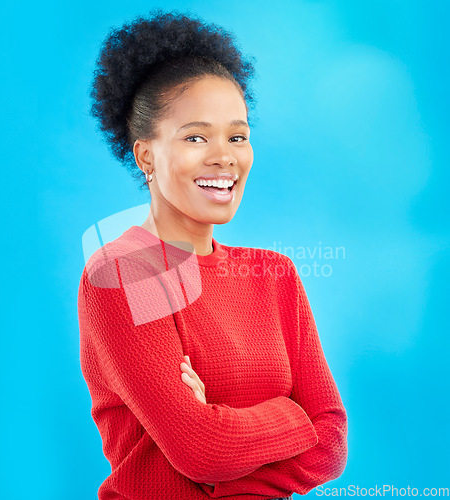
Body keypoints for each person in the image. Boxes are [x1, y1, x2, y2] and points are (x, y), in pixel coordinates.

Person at [78, 9, 348, 500]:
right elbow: (201, 449)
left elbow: (330, 443)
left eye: (237, 136)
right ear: (146, 157)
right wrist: (289, 415)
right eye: (196, 136)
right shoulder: (125, 272)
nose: (224, 156)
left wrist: (228, 436)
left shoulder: (274, 274)